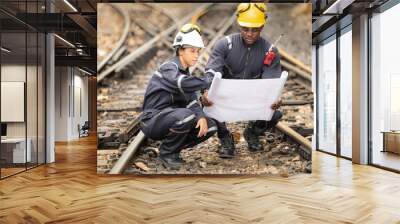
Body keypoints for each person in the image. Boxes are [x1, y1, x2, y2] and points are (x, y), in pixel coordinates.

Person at [202, 3, 283, 158]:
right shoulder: (225, 45)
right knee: (207, 102)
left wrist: (274, 98)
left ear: (263, 26)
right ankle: (225, 137)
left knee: (275, 113)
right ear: (239, 24)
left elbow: (271, 82)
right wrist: (207, 90)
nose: (250, 34)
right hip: (226, 98)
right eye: (245, 29)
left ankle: (252, 132)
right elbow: (211, 71)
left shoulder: (270, 51)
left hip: (253, 98)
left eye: (255, 29)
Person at [140, 24, 217, 170]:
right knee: (186, 116)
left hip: (171, 118)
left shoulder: (185, 74)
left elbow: (191, 102)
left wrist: (200, 116)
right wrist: (206, 81)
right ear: (181, 51)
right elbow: (181, 83)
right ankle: (167, 153)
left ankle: (172, 149)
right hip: (152, 120)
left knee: (210, 125)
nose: (196, 55)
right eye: (192, 51)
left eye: (198, 51)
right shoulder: (169, 68)